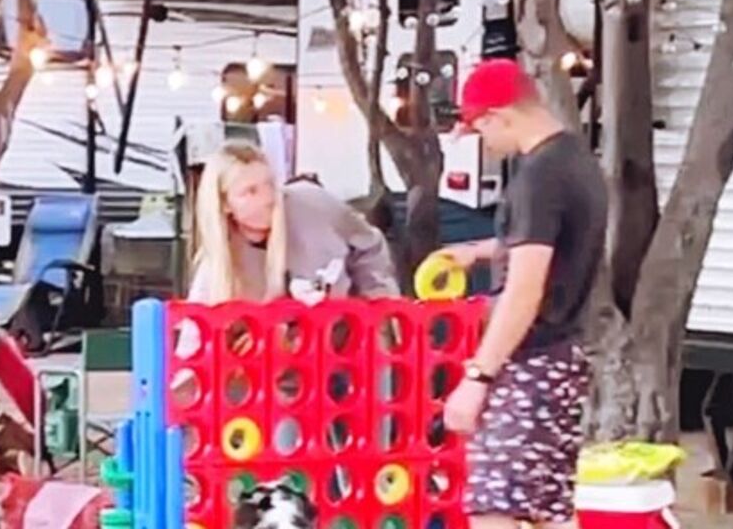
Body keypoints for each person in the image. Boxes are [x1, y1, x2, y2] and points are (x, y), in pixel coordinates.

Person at [439, 59, 606, 529]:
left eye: (478, 130)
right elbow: (554, 245)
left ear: (498, 115)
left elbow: (525, 289)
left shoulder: (537, 179)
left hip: (531, 362)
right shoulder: (577, 160)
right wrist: (480, 251)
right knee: (550, 509)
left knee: (494, 505)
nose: (484, 145)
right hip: (567, 358)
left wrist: (478, 377)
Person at [187, 141, 398, 306]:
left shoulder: (313, 205)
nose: (268, 198)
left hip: (346, 340)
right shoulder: (220, 263)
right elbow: (194, 334)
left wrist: (376, 307)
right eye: (251, 192)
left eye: (270, 184)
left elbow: (369, 244)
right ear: (225, 204)